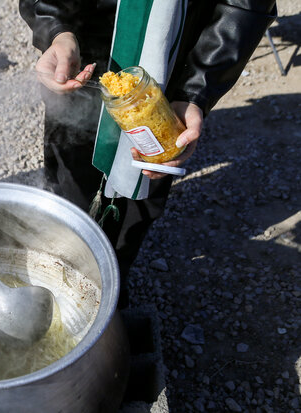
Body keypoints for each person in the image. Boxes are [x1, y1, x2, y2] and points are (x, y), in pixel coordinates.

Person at [19, 0, 276, 306]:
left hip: (171, 61)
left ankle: (107, 290)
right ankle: (59, 280)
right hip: (81, 55)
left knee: (137, 201)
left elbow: (245, 5)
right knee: (68, 186)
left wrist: (194, 91)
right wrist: (56, 30)